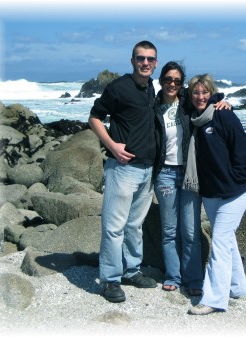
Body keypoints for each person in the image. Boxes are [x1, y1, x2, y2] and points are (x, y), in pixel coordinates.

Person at [88, 40, 160, 303]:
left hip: (147, 170)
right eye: (140, 58)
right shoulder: (119, 88)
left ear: (156, 63)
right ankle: (110, 280)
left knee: (134, 226)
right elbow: (94, 117)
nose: (145, 63)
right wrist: (111, 146)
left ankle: (132, 271)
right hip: (123, 168)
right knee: (113, 227)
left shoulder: (152, 88)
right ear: (132, 61)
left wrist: (220, 102)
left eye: (150, 59)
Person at [154, 62, 230, 296]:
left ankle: (194, 279)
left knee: (190, 231)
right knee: (168, 231)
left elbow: (205, 94)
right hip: (164, 173)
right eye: (168, 79)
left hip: (189, 174)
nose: (172, 84)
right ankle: (173, 276)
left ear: (181, 83)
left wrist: (223, 101)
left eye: (177, 81)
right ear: (161, 80)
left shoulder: (186, 103)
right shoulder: (154, 106)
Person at [184, 74, 246, 315]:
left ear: (212, 93)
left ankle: (213, 300)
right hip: (211, 192)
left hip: (235, 191)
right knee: (227, 241)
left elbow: (245, 152)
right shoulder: (193, 117)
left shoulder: (224, 114)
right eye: (195, 92)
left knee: (221, 241)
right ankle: (239, 289)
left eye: (205, 92)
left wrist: (234, 177)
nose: (200, 97)